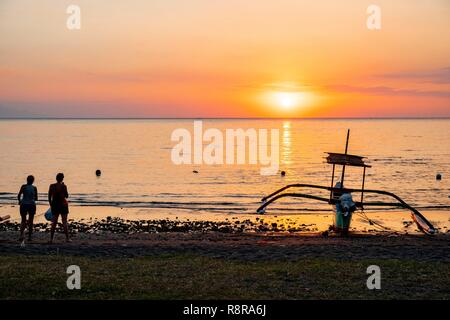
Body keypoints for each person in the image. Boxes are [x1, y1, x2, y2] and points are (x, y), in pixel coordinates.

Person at [48, 173, 70, 243]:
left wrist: (51, 205)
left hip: (55, 204)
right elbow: (66, 196)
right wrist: (63, 186)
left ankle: (51, 239)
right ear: (62, 179)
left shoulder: (52, 186)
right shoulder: (63, 186)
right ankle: (67, 239)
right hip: (63, 204)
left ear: (56, 178)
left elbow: (49, 196)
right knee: (64, 222)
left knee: (54, 222)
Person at [17, 175, 38, 241]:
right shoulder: (34, 188)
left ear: (27, 180)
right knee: (31, 221)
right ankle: (29, 237)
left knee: (23, 220)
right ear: (33, 181)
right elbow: (36, 198)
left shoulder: (23, 186)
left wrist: (19, 201)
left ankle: (21, 236)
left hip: (24, 204)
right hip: (32, 205)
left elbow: (19, 195)